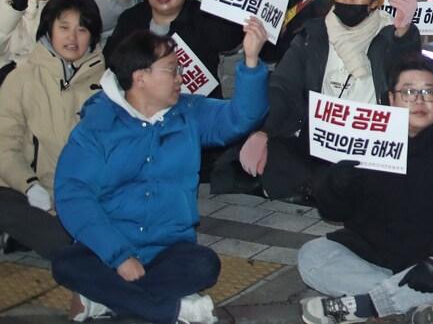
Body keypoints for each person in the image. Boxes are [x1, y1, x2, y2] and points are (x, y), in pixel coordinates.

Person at [51, 22, 270, 324]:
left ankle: (106, 299)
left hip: (168, 248)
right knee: (66, 264)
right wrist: (119, 257)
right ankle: (174, 310)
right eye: (171, 70)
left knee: (204, 266)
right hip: (110, 246)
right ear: (140, 77)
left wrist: (251, 61)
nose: (181, 78)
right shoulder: (97, 126)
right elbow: (74, 195)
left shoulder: (189, 113)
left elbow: (241, 117)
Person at [297, 57, 433, 324]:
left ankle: (361, 306)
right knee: (311, 256)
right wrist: (335, 183)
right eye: (409, 91)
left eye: (430, 91)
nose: (419, 100)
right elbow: (334, 211)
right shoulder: (367, 137)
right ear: (391, 98)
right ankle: (408, 304)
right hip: (371, 252)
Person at [227, 0, 417, 200]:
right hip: (322, 141)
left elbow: (406, 76)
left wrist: (403, 35)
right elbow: (283, 87)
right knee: (273, 152)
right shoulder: (312, 34)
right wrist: (264, 130)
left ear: (374, 1)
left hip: (373, 145)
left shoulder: (391, 33)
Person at [0, 0, 104, 258]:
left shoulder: (108, 84)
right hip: (26, 190)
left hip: (83, 197)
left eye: (82, 29)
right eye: (64, 27)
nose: (73, 37)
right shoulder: (20, 78)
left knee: (77, 244)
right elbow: (5, 144)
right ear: (49, 29)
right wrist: (29, 185)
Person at [107, 0, 243, 98]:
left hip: (197, 109)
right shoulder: (131, 19)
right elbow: (113, 61)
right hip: (143, 109)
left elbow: (230, 40)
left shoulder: (203, 17)